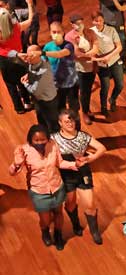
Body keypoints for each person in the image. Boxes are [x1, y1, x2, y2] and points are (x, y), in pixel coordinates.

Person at [8, 125, 79, 250]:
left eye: (43, 140)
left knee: (58, 213)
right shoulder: (23, 151)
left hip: (57, 187)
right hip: (39, 191)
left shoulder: (53, 145)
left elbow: (60, 162)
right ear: (30, 140)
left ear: (48, 138)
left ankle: (58, 234)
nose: (40, 143)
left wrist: (74, 164)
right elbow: (12, 173)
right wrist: (16, 164)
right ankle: (45, 231)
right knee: (45, 219)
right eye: (36, 140)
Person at [52, 109, 107, 245]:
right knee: (70, 203)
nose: (70, 123)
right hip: (66, 175)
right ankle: (76, 224)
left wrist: (90, 158)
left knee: (89, 204)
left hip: (83, 173)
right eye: (66, 121)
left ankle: (95, 231)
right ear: (60, 123)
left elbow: (102, 148)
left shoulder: (83, 136)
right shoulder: (54, 139)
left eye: (72, 120)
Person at [9, 45, 60, 132]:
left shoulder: (44, 72)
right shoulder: (32, 62)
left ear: (38, 55)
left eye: (31, 55)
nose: (28, 57)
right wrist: (27, 74)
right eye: (28, 54)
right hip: (38, 100)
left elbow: (35, 91)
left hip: (48, 101)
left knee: (53, 125)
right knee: (41, 121)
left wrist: (25, 83)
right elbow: (10, 54)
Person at [0, 0, 33, 114]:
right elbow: (30, 20)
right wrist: (29, 4)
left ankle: (18, 108)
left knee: (10, 84)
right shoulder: (17, 27)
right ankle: (27, 103)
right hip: (18, 57)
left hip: (4, 60)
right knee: (22, 80)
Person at [65, 14, 99, 125]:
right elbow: (77, 55)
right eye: (77, 23)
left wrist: (88, 54)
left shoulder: (90, 32)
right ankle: (83, 113)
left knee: (88, 90)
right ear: (72, 24)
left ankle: (86, 109)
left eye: (81, 22)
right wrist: (91, 54)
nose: (80, 25)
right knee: (82, 91)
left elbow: (96, 47)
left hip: (91, 66)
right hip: (79, 69)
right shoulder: (69, 37)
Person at [90, 10, 124, 117]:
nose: (99, 23)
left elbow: (119, 47)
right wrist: (98, 59)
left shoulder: (111, 30)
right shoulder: (90, 32)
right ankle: (103, 107)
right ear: (93, 22)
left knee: (120, 84)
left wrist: (108, 56)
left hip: (114, 60)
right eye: (96, 21)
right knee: (105, 86)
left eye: (101, 20)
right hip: (101, 65)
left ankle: (112, 99)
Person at [43, 21, 80, 115]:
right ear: (50, 33)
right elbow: (43, 63)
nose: (56, 34)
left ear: (63, 32)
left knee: (74, 108)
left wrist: (42, 53)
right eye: (54, 32)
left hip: (71, 83)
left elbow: (59, 54)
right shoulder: (48, 46)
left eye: (58, 32)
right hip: (57, 83)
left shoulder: (69, 45)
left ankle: (76, 127)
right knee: (60, 108)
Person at [92, 0, 126, 69]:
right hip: (107, 24)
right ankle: (111, 64)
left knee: (122, 44)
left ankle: (123, 64)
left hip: (119, 23)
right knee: (108, 45)